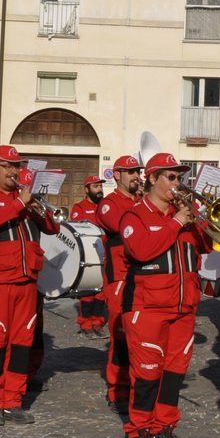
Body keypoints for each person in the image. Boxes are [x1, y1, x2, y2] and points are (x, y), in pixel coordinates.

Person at [118, 153, 210, 438]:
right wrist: (175, 223)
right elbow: (142, 250)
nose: (177, 183)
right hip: (148, 306)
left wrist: (204, 221)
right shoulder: (135, 216)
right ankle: (139, 431)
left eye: (179, 177)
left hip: (184, 307)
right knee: (146, 374)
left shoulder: (182, 215)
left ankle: (164, 428)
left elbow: (209, 246)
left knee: (173, 374)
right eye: (170, 177)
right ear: (153, 179)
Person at [0, 145, 58, 425]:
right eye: (8, 165)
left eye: (17, 166)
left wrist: (39, 209)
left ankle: (13, 401)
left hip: (26, 280)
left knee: (21, 343)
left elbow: (53, 229)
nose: (14, 171)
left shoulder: (24, 199)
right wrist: (20, 204)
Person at [94, 156, 144, 413]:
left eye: (137, 171)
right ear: (117, 175)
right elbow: (122, 226)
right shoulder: (108, 204)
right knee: (122, 336)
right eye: (130, 172)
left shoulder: (142, 202)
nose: (136, 176)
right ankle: (118, 390)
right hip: (120, 276)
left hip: (144, 276)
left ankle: (141, 386)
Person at [67, 175, 110, 339]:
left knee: (101, 292)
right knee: (87, 292)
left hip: (104, 253)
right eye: (95, 186)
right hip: (88, 254)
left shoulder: (105, 207)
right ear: (87, 189)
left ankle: (98, 323)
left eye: (100, 186)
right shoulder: (80, 207)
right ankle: (85, 324)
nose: (99, 189)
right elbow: (77, 228)